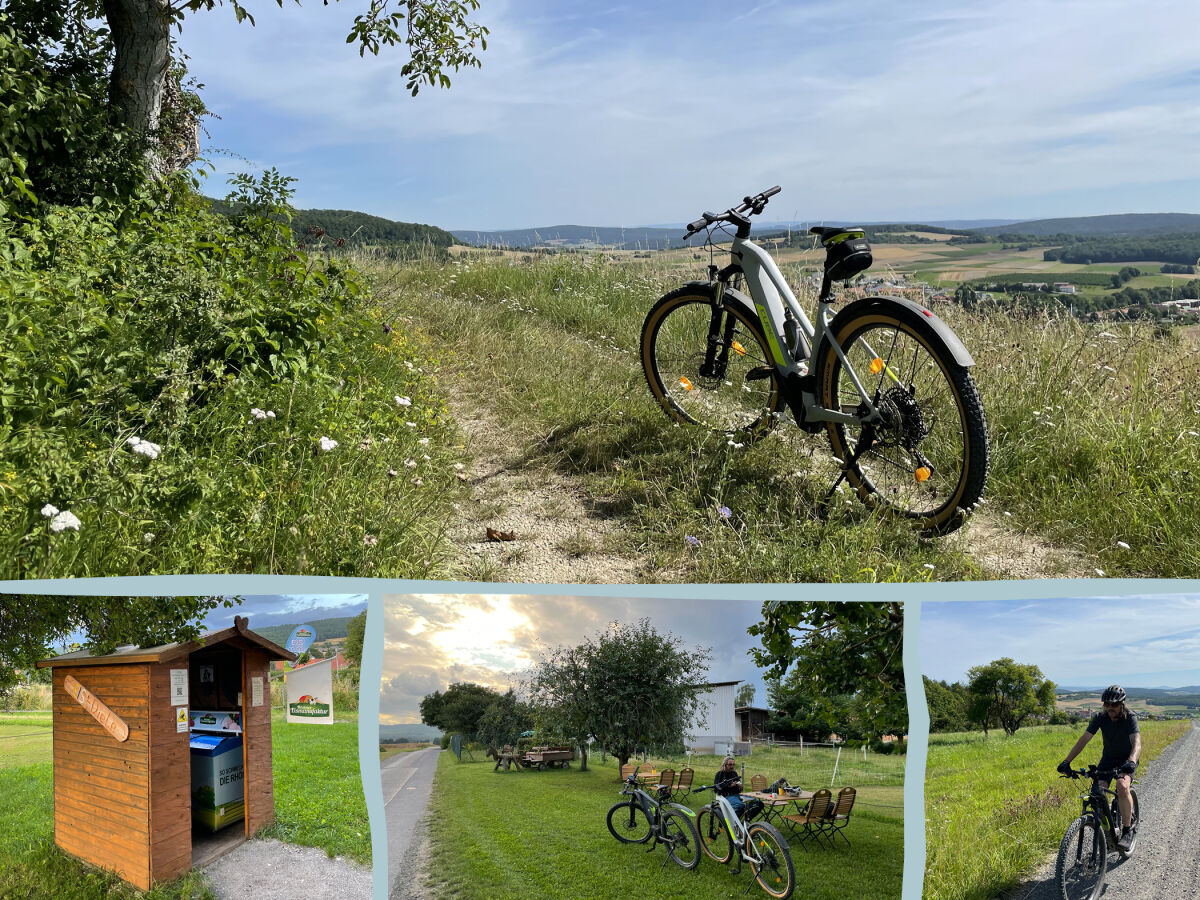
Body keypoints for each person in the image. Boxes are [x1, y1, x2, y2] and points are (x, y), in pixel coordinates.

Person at [1057, 684, 1141, 852]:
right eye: (1107, 704)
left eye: (1114, 705)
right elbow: (1084, 739)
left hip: (1126, 759)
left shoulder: (1130, 717)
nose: (1110, 708)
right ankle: (1107, 833)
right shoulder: (1100, 718)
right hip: (1108, 759)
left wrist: (1131, 760)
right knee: (1097, 793)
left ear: (1122, 704)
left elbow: (1137, 743)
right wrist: (1067, 761)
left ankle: (1126, 831)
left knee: (1122, 786)